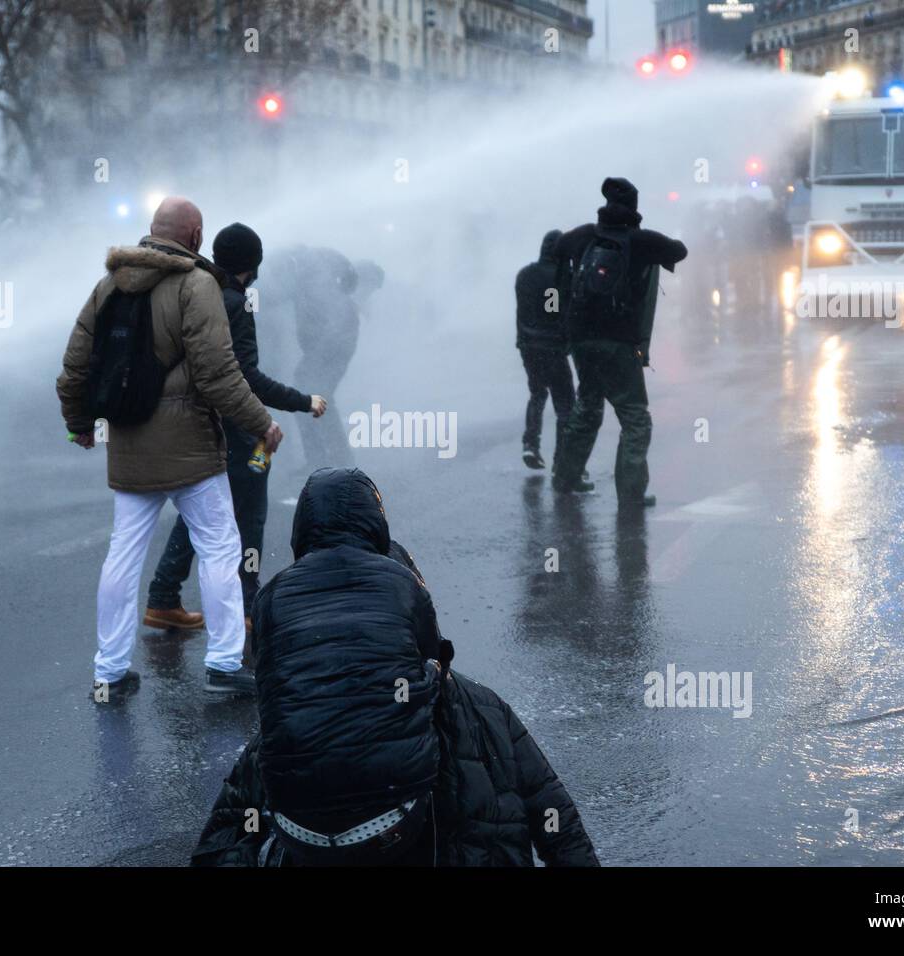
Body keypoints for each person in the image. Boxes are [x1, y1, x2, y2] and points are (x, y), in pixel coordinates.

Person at [191, 467, 599, 866]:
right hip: (398, 823)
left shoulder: (275, 612)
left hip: (301, 835)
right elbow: (549, 806)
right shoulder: (475, 705)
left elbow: (228, 825)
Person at [56, 197, 283, 701]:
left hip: (130, 443)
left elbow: (75, 366)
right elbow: (219, 375)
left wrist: (79, 423)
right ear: (196, 235)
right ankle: (224, 664)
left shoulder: (108, 284)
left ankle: (110, 671)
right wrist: (261, 422)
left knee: (123, 553)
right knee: (221, 548)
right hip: (192, 451)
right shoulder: (197, 286)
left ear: (151, 231)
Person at [144, 223, 327, 633]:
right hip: (233, 423)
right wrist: (301, 402)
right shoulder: (236, 303)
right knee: (250, 513)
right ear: (253, 265)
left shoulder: (196, 291)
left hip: (194, 419)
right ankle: (246, 607)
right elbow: (245, 377)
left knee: (202, 508)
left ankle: (163, 596)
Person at [552, 177, 687, 507]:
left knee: (587, 408)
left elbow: (558, 249)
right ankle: (630, 494)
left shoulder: (584, 236)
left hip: (582, 341)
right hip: (618, 342)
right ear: (634, 207)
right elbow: (678, 251)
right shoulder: (641, 241)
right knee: (634, 418)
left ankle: (565, 478)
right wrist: (641, 237)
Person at [292, 247, 359, 467]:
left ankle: (332, 458)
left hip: (330, 349)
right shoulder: (309, 274)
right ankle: (325, 458)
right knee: (310, 398)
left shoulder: (318, 274)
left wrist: (318, 356)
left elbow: (335, 329)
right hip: (323, 350)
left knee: (316, 397)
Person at [515, 229, 575, 471]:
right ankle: (562, 460)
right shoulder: (561, 278)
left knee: (537, 394)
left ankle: (530, 444)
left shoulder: (524, 274)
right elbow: (555, 311)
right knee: (566, 405)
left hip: (528, 347)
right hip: (553, 348)